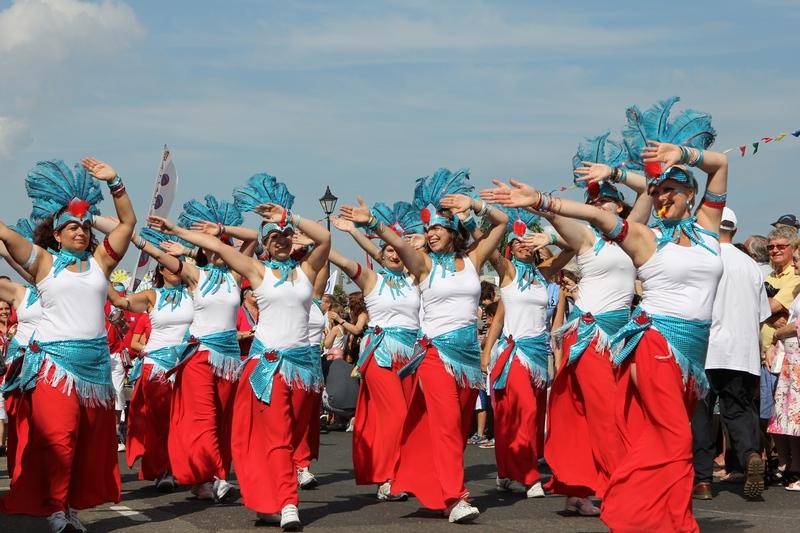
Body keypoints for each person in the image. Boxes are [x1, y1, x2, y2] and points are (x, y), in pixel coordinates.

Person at [484, 96, 726, 532]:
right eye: (660, 191)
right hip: (647, 344)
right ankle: (660, 515)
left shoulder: (709, 232)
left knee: (654, 433)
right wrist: (541, 200)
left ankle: (639, 509)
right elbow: (591, 214)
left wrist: (677, 156)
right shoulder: (643, 238)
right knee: (669, 435)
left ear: (691, 193)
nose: (665, 196)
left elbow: (721, 166)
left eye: (674, 189)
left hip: (690, 352)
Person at [151, 181, 330, 530]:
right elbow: (215, 245)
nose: (280, 241)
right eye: (273, 237)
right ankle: (288, 503)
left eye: (286, 235)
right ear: (265, 244)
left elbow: (324, 238)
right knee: (276, 435)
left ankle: (268, 500)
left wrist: (288, 216)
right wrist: (176, 229)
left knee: (292, 438)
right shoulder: (256, 271)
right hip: (267, 367)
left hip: (303, 368)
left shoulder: (306, 271)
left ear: (293, 239)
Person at [341, 167, 509, 524]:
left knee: (458, 429)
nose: (430, 234)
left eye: (437, 228)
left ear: (453, 231)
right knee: (447, 426)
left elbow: (501, 223)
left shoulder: (473, 260)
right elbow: (400, 243)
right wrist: (372, 224)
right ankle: (455, 497)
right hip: (433, 356)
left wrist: (474, 205)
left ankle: (428, 482)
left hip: (466, 359)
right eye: (428, 229)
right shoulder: (423, 265)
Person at [0, 158, 135, 533]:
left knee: (90, 447)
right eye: (71, 227)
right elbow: (7, 237)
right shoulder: (43, 262)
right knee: (60, 441)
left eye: (84, 226)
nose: (79, 232)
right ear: (56, 234)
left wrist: (115, 181)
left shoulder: (100, 264)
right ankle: (56, 509)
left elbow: (127, 224)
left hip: (95, 370)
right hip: (55, 367)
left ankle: (72, 507)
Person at [526, 132, 649, 516]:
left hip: (620, 333)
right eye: (593, 203)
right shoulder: (586, 242)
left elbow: (650, 188)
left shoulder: (632, 236)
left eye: (604, 202)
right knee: (595, 410)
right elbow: (559, 218)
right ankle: (606, 487)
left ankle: (587, 488)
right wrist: (541, 205)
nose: (597, 207)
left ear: (620, 208)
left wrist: (615, 172)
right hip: (589, 335)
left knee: (613, 410)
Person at [151, 195, 251, 504]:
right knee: (205, 419)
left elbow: (255, 237)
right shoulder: (196, 275)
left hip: (230, 359)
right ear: (205, 250)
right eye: (214, 244)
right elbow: (163, 258)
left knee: (223, 420)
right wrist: (143, 240)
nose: (221, 247)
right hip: (200, 356)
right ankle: (219, 476)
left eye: (225, 243)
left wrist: (220, 229)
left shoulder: (236, 276)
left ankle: (203, 479)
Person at [328, 200, 422, 500]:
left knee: (406, 416)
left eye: (398, 251)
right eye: (388, 251)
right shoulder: (372, 279)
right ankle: (389, 478)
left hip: (410, 355)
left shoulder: (416, 280)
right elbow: (343, 262)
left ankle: (399, 473)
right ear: (380, 256)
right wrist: (329, 240)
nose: (394, 255)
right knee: (395, 414)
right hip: (379, 353)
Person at [481, 208, 573, 499]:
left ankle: (506, 469)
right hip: (513, 354)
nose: (522, 244)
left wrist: (548, 238)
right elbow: (488, 249)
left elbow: (571, 247)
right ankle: (530, 476)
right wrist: (486, 354)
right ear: (510, 247)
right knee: (525, 412)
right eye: (517, 241)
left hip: (538, 354)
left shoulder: (543, 274)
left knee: (517, 418)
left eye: (526, 241)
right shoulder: (506, 271)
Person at [105, 232, 195, 492]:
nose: (174, 267)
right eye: (167, 263)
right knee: (160, 421)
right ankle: (164, 470)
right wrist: (102, 277)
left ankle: (189, 467)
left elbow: (214, 261)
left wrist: (186, 251)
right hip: (157, 365)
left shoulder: (196, 290)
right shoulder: (151, 296)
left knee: (188, 419)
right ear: (160, 271)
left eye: (177, 262)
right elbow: (121, 301)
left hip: (189, 363)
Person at [691, 208, 771, 500]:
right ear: (734, 230)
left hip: (705, 348)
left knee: (700, 414)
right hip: (741, 351)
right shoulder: (750, 265)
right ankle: (750, 454)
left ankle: (702, 480)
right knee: (737, 410)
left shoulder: (702, 258)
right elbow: (762, 313)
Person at [768, 238, 800, 491]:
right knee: (787, 418)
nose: (796, 264)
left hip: (796, 360)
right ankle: (789, 466)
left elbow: (794, 325)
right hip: (789, 360)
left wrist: (779, 333)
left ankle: (795, 468)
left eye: (798, 259)